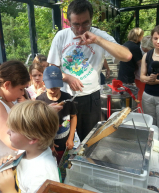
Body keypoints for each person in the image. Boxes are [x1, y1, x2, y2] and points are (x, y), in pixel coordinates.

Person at [47, 0, 132, 141]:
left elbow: (127, 56)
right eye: (76, 24)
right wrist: (67, 77)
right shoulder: (61, 36)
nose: (81, 29)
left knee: (89, 139)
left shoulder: (99, 35)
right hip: (65, 97)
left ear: (91, 19)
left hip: (91, 98)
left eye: (85, 23)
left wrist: (98, 40)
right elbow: (51, 69)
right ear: (69, 21)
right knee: (66, 139)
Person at [0, 100, 60, 193]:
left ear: (33, 139)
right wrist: (12, 164)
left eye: (13, 130)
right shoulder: (30, 151)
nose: (8, 132)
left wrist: (9, 190)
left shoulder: (42, 176)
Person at [36, 66, 77, 164]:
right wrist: (49, 143)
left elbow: (73, 116)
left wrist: (71, 138)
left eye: (57, 87)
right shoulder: (40, 101)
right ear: (44, 83)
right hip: (49, 145)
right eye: (51, 87)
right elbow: (39, 126)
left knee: (66, 166)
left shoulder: (67, 98)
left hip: (67, 142)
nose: (54, 90)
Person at [140, 25, 159, 149]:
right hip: (148, 96)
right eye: (155, 38)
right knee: (151, 126)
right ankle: (151, 152)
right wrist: (149, 79)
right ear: (151, 39)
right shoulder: (147, 55)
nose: (158, 41)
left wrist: (158, 81)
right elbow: (142, 76)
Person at [135, 35, 154, 111]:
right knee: (141, 96)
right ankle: (141, 112)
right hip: (139, 77)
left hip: (149, 77)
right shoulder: (138, 50)